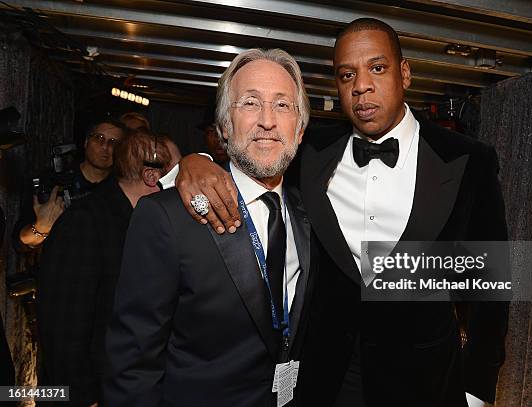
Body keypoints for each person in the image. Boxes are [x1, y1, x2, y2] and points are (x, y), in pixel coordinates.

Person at [173, 18, 508, 407]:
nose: (361, 85)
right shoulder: (310, 151)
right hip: (328, 377)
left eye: (377, 68)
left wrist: (476, 388)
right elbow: (253, 154)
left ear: (405, 74)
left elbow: (490, 285)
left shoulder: (467, 159)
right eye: (347, 74)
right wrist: (194, 161)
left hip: (427, 379)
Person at [104, 48, 316, 407]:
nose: (267, 120)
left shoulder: (312, 215)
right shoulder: (167, 218)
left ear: (299, 129)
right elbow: (132, 365)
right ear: (223, 127)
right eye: (250, 103)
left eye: (282, 105)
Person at [37, 130, 170, 407]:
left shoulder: (137, 222)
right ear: (151, 177)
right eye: (174, 174)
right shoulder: (86, 221)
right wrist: (84, 398)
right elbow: (63, 325)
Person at [14, 120, 125, 250]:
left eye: (113, 142)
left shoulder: (122, 190)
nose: (105, 146)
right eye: (99, 138)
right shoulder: (53, 182)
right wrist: (41, 228)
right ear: (86, 142)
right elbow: (19, 241)